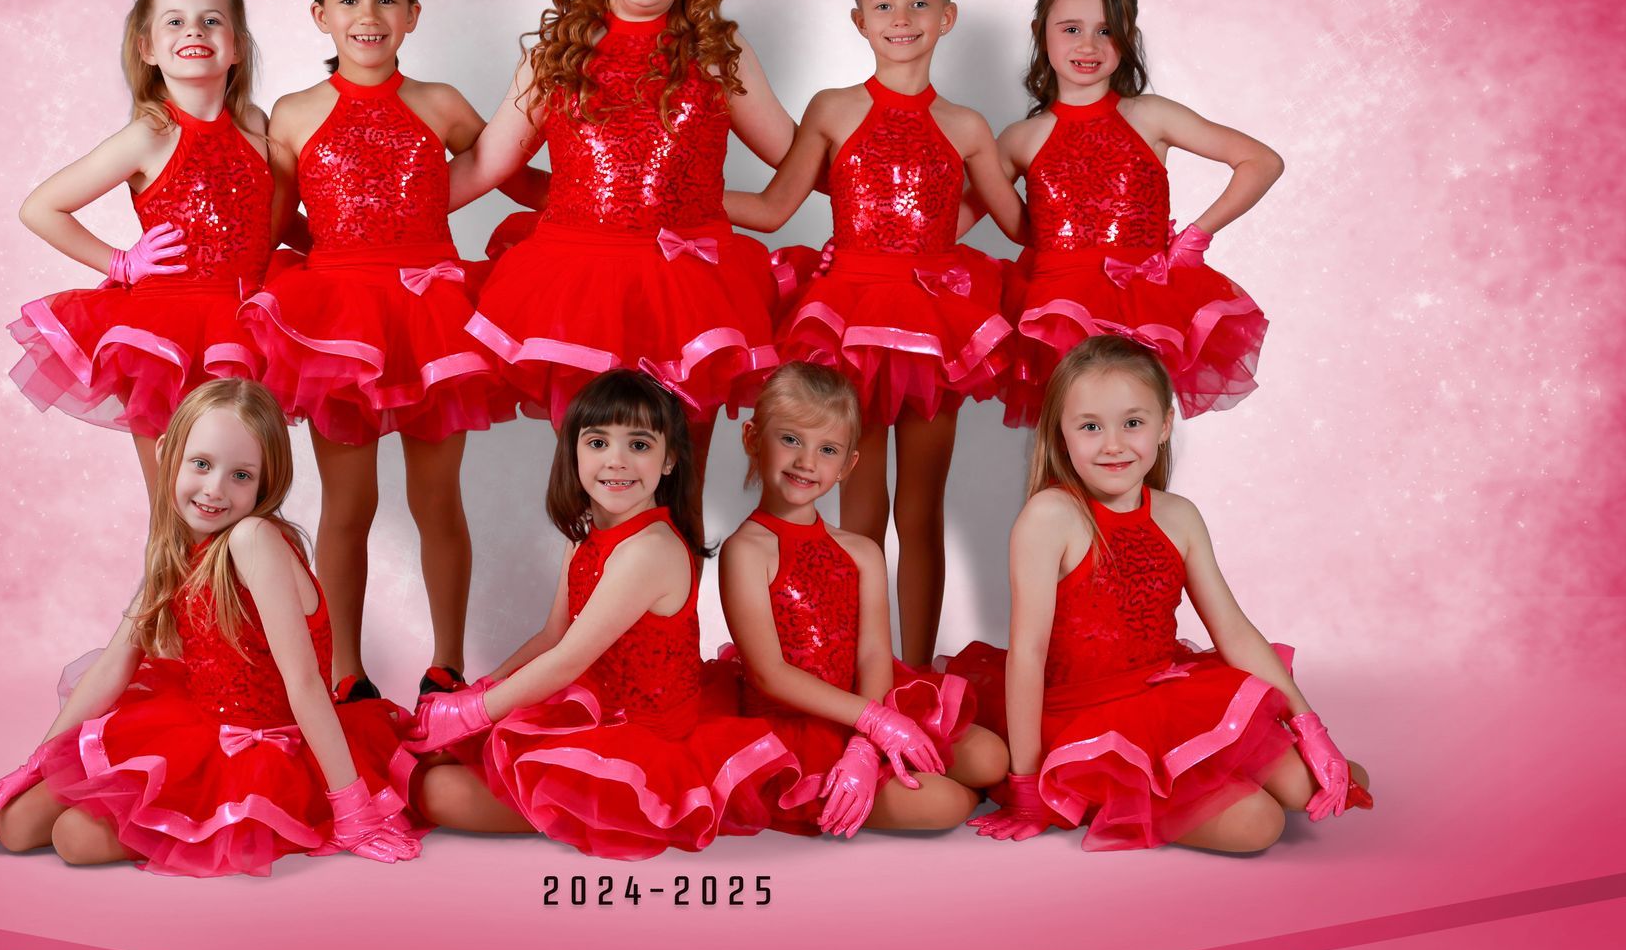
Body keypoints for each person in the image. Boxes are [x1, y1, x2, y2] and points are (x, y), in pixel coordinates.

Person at [724, 0, 1028, 664]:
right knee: (859, 508)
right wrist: (671, 203)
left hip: (932, 325)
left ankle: (916, 673)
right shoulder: (833, 109)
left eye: (919, 5)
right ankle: (860, 674)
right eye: (884, 6)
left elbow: (1022, 225)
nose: (902, 21)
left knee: (921, 509)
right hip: (848, 316)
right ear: (858, 19)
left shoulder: (967, 127)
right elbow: (771, 208)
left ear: (947, 16)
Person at [446, 0, 798, 480]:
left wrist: (880, 162)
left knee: (677, 480)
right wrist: (380, 220)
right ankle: (592, 577)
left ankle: (678, 572)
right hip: (579, 289)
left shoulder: (717, 53)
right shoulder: (557, 56)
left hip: (690, 292)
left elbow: (800, 157)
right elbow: (485, 165)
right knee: (598, 486)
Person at [0, 379, 420, 874]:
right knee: (14, 825)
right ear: (168, 453)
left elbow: (304, 683)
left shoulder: (253, 539)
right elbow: (114, 663)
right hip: (197, 724)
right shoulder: (178, 549)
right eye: (202, 465)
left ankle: (289, 814)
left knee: (74, 839)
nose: (215, 490)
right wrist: (36, 761)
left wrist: (353, 808)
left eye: (241, 476)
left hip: (273, 750)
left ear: (265, 482)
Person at [953, 336, 1372, 852]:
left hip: (1165, 695)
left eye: (1133, 423)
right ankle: (1187, 790)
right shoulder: (1050, 517)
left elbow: (1233, 630)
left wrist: (1310, 726)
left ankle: (1241, 773)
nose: (1113, 445)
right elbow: (1028, 655)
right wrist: (1025, 786)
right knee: (1259, 826)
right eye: (1090, 427)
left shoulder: (1179, 516)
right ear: (1061, 436)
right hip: (1083, 715)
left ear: (1165, 424)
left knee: (1311, 785)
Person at [240, 0, 516, 705]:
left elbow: (518, 174)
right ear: (320, 14)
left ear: (415, 13)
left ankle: (447, 666)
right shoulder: (294, 115)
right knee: (349, 504)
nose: (370, 15)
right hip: (339, 328)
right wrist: (330, 258)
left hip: (433, 318)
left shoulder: (441, 104)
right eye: (351, 0)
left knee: (437, 501)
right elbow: (272, 224)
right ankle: (344, 672)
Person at [400, 369, 798, 859]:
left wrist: (468, 715)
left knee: (433, 790)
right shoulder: (587, 534)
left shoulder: (649, 549)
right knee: (428, 757)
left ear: (669, 459)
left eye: (638, 445)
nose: (616, 461)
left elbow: (566, 659)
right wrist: (479, 692)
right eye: (597, 442)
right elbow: (552, 635)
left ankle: (580, 805)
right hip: (592, 708)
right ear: (574, 452)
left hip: (641, 745)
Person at [8, 0, 287, 496]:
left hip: (246, 323)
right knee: (177, 496)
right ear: (147, 48)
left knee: (243, 493)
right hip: (169, 331)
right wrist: (121, 262)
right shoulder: (149, 135)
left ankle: (234, 583)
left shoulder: (255, 124)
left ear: (236, 46)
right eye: (175, 22)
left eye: (212, 20)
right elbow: (40, 208)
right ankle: (175, 584)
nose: (194, 32)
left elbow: (273, 216)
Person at [716, 363, 1009, 836]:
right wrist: (873, 723)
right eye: (790, 439)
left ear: (848, 464)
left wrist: (866, 745)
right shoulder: (745, 551)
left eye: (827, 449)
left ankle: (897, 770)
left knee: (993, 758)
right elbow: (770, 674)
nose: (807, 461)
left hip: (867, 706)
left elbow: (873, 654)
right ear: (753, 438)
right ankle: (899, 785)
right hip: (797, 723)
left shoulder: (861, 552)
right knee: (947, 806)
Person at [994, 0, 1280, 425]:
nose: (1088, 45)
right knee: (1069, 438)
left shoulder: (1149, 116)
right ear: (1039, 31)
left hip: (1139, 304)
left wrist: (1195, 238)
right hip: (1053, 312)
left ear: (1128, 37)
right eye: (1070, 29)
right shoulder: (1018, 139)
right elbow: (951, 219)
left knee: (1135, 430)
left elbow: (1261, 162)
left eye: (1106, 31)